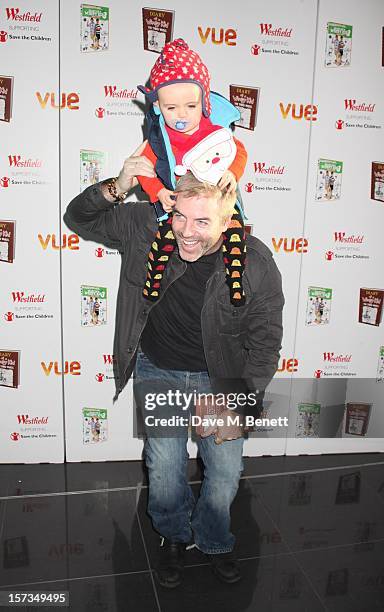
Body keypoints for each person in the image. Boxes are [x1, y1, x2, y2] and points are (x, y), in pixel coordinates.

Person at [63, 145, 284, 588]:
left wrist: (237, 401)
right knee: (164, 472)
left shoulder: (255, 261)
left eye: (202, 222)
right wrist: (118, 186)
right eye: (180, 216)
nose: (186, 231)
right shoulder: (147, 225)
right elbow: (79, 219)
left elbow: (265, 342)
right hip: (158, 368)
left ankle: (215, 538)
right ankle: (174, 537)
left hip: (220, 379)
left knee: (223, 475)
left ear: (228, 219)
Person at [136, 39, 248, 306]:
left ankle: (236, 284)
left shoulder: (213, 130)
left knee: (234, 236)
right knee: (162, 241)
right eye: (171, 108)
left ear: (204, 102)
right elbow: (143, 169)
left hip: (215, 202)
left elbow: (239, 150)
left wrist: (233, 172)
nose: (181, 115)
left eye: (191, 106)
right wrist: (158, 191)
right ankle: (153, 284)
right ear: (157, 107)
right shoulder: (159, 138)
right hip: (179, 202)